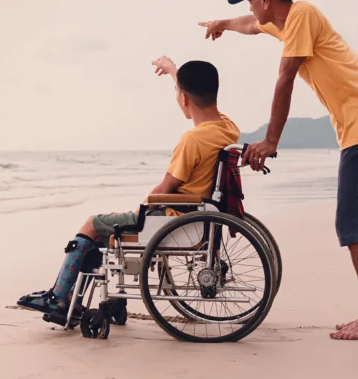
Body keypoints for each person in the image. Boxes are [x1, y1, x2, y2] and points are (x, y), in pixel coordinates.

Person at [196, 0, 358, 341]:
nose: (250, 8)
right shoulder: (287, 22)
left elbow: (285, 78)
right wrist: (222, 23)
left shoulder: (302, 16)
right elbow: (250, 24)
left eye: (250, 0)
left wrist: (272, 139)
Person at [17, 59, 240, 317]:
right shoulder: (227, 128)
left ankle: (59, 298)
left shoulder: (192, 140)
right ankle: (71, 297)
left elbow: (165, 188)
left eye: (177, 92)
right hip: (197, 216)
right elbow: (196, 94)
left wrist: (142, 207)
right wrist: (174, 73)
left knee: (92, 224)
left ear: (184, 99)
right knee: (109, 224)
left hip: (173, 218)